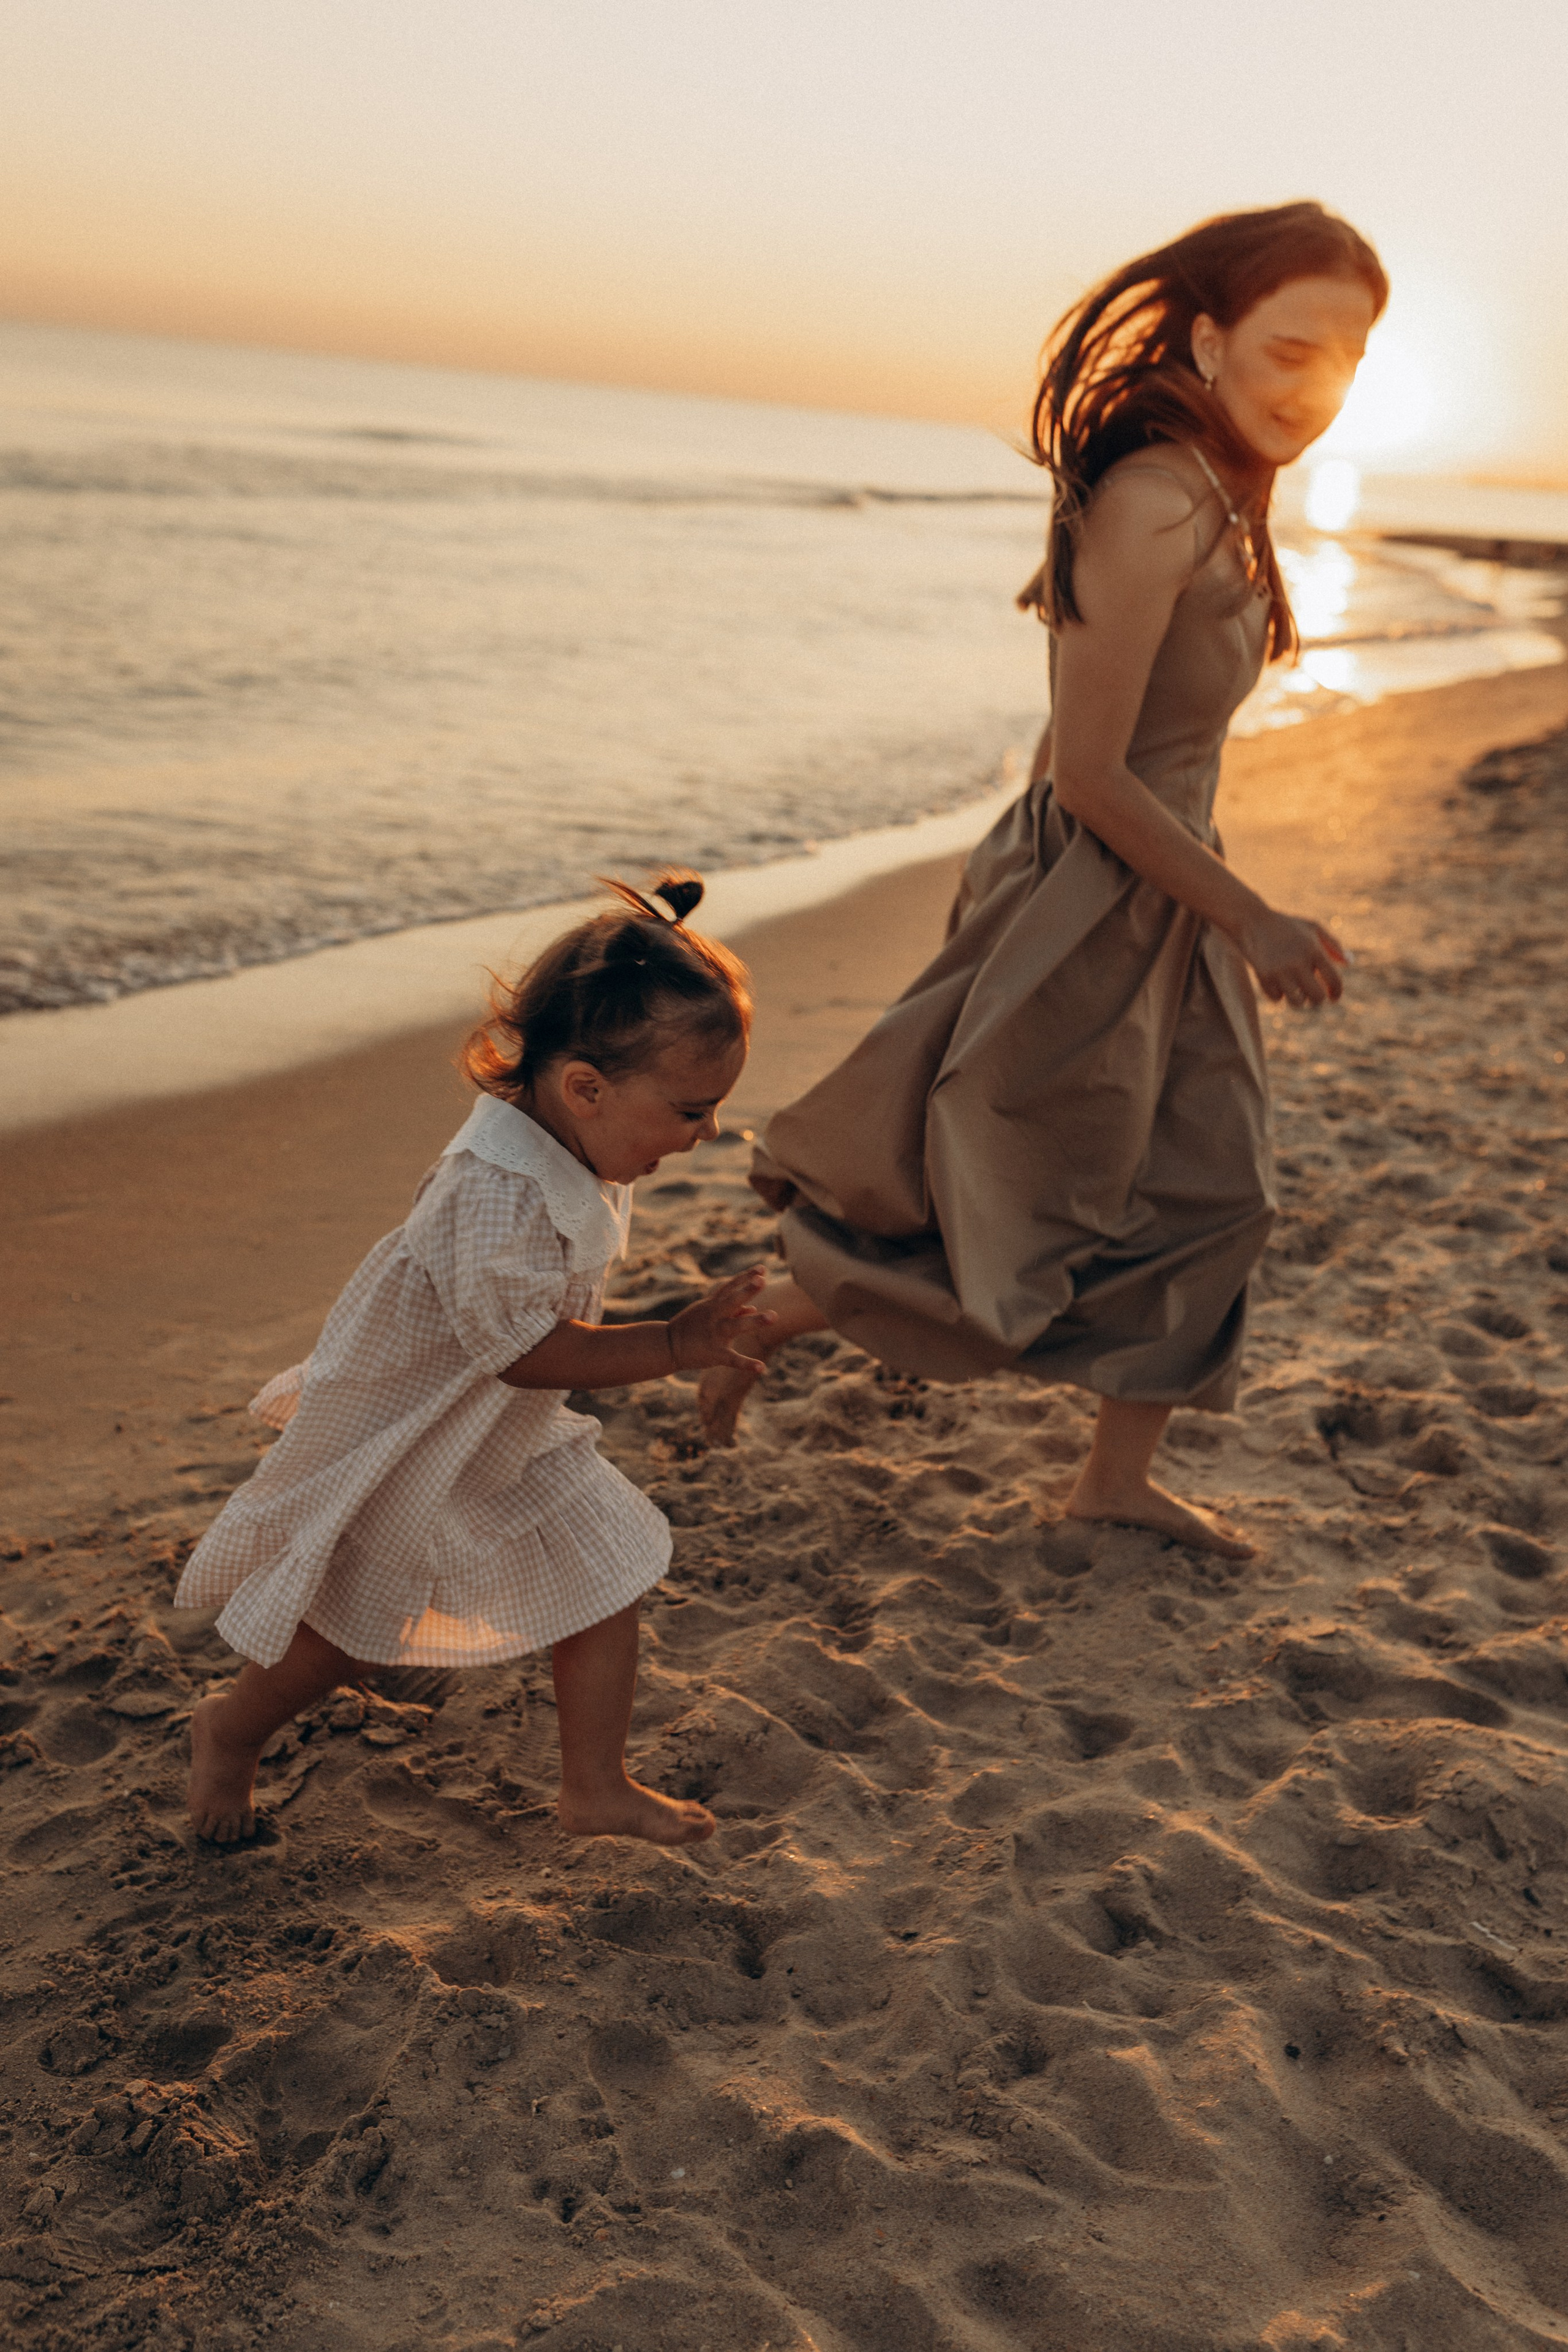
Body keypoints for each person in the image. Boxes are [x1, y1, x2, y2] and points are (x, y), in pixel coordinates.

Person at [699, 202, 1388, 1559]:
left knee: (1209, 1189)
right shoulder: (1153, 499)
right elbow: (1085, 772)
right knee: (1024, 1193)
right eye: (1289, 347)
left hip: (1162, 887)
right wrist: (1247, 916)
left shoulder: (1218, 489)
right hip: (1092, 892)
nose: (1314, 390)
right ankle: (755, 1318)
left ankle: (1112, 1478)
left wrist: (1214, 903)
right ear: (1207, 336)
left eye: (1345, 363)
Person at [176, 873, 771, 1848]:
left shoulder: (575, 1138)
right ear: (586, 1087)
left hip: (499, 1432)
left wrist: (678, 1331)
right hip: (417, 1433)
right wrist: (673, 1343)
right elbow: (525, 1353)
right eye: (692, 1111)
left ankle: (595, 1788)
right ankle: (230, 1732)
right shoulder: (495, 1192)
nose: (705, 1134)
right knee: (347, 1634)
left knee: (605, 1570)